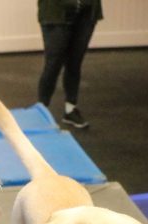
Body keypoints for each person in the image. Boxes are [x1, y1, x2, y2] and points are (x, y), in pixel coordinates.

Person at [37, 0, 103, 128]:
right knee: (53, 64)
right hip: (56, 12)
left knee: (75, 62)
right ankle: (41, 111)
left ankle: (70, 110)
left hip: (87, 12)